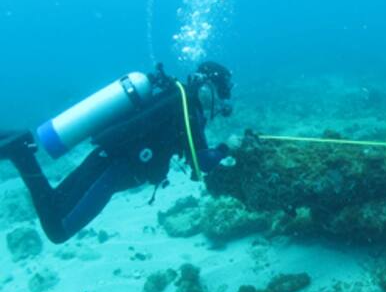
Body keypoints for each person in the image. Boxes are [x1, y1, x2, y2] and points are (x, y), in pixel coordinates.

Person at [0, 62, 234, 244]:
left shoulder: (174, 98)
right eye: (221, 96)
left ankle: (19, 150)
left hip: (105, 161)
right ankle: (20, 152)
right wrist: (229, 147)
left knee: (54, 205)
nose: (220, 105)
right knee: (59, 230)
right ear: (208, 88)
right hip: (111, 173)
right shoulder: (188, 108)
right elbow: (203, 162)